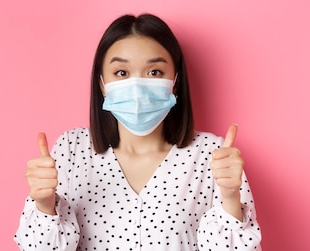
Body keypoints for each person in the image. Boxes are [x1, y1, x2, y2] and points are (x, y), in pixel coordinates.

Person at [14, 13, 262, 250]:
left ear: (175, 82)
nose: (137, 85)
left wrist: (230, 198)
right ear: (102, 84)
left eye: (155, 72)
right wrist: (45, 205)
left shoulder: (213, 154)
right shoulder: (72, 150)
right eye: (121, 73)